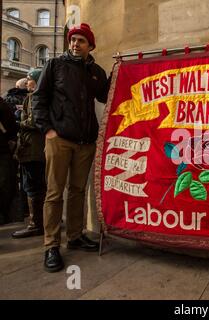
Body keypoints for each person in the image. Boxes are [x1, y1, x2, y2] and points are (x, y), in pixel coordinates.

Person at [32, 23, 110, 273]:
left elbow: (105, 96)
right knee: (54, 193)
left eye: (81, 41)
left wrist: (120, 72)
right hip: (60, 139)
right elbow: (39, 99)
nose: (75, 44)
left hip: (86, 141)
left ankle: (75, 236)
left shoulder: (96, 71)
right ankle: (51, 245)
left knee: (77, 190)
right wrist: (48, 131)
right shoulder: (55, 65)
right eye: (73, 39)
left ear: (91, 45)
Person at [11, 69, 46, 238]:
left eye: (29, 79)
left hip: (33, 148)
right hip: (34, 148)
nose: (27, 82)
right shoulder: (34, 96)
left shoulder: (34, 97)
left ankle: (35, 224)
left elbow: (35, 121)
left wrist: (18, 121)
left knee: (32, 186)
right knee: (36, 185)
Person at [0, 97, 18, 225]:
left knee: (4, 183)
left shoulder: (3, 105)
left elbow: (11, 129)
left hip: (3, 150)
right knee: (4, 183)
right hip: (4, 150)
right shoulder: (4, 105)